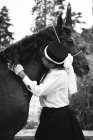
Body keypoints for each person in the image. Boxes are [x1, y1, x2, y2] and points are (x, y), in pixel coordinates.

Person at [9, 41, 85, 140]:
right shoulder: (52, 70)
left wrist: (22, 74)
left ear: (52, 65)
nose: (42, 59)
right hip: (49, 114)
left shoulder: (60, 75)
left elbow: (38, 91)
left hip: (58, 118)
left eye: (45, 59)